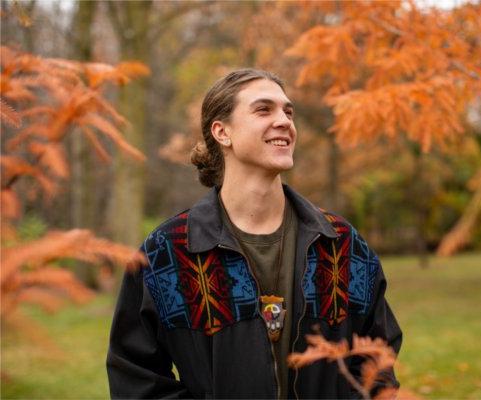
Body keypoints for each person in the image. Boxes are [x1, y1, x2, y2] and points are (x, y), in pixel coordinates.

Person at [106, 69, 402, 399]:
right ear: (222, 132)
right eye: (264, 109)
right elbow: (135, 375)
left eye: (288, 111)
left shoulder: (340, 243)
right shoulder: (168, 253)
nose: (284, 121)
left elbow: (378, 357)